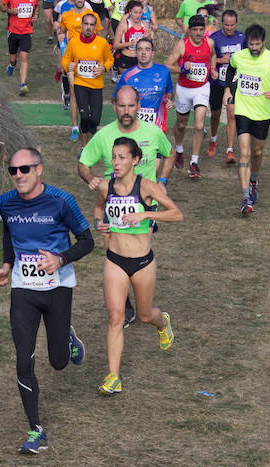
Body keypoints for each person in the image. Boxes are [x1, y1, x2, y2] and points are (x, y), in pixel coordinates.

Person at [0, 148, 94, 454]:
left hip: (58, 286)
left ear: (40, 170)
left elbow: (87, 241)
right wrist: (7, 265)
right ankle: (36, 430)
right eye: (13, 171)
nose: (19, 176)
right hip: (23, 287)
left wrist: (60, 259)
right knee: (23, 358)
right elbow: (9, 234)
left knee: (59, 362)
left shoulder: (62, 201)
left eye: (25, 169)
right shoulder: (5, 203)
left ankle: (67, 337)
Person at [92, 137, 183, 394]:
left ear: (135, 160)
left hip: (142, 262)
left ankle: (162, 322)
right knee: (115, 318)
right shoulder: (104, 187)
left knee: (144, 315)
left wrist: (146, 214)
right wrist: (100, 222)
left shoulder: (147, 187)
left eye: (122, 157)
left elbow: (177, 214)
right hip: (115, 260)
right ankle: (113, 377)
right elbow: (99, 208)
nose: (116, 162)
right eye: (113, 157)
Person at [79, 85, 174, 327]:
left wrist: (161, 181)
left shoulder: (153, 132)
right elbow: (83, 163)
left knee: (139, 247)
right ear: (114, 106)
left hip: (143, 202)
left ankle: (139, 302)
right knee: (112, 251)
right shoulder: (103, 135)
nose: (126, 110)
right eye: (121, 105)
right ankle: (126, 304)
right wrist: (90, 179)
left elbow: (169, 153)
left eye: (131, 105)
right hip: (113, 201)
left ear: (139, 106)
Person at [223, 23, 270, 215]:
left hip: (262, 113)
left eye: (257, 44)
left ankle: (254, 181)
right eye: (251, 44)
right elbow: (230, 71)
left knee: (257, 152)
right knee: (244, 153)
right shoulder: (239, 56)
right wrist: (229, 89)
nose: (254, 48)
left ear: (263, 43)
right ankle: (245, 198)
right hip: (242, 109)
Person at [165, 14, 215, 178]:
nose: (199, 33)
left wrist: (212, 69)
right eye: (196, 30)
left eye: (202, 29)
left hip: (202, 88)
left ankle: (194, 163)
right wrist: (182, 69)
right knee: (180, 125)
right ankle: (179, 149)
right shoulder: (182, 45)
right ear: (190, 30)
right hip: (184, 89)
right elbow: (168, 65)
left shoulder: (209, 43)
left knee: (199, 125)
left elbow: (212, 56)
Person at [61, 13, 114, 147]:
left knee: (95, 120)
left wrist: (104, 68)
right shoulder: (74, 42)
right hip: (80, 84)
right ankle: (84, 147)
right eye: (86, 24)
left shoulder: (102, 43)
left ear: (95, 27)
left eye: (91, 25)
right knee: (84, 117)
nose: (88, 27)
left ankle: (89, 132)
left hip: (96, 85)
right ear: (82, 26)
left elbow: (110, 59)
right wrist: (68, 66)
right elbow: (65, 59)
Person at [56, 0, 103, 141]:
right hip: (73, 60)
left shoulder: (92, 16)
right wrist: (61, 36)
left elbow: (99, 36)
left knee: (89, 92)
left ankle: (89, 121)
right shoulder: (66, 15)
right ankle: (75, 128)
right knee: (74, 92)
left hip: (89, 60)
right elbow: (61, 30)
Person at [207, 8, 246, 163]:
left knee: (231, 114)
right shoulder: (214, 38)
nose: (229, 28)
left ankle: (230, 150)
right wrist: (217, 64)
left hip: (234, 82)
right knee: (216, 114)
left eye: (232, 25)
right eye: (226, 25)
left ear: (236, 23)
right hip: (217, 81)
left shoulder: (242, 38)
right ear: (222, 23)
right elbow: (207, 58)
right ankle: (213, 138)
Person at [113, 37, 174, 134]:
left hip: (157, 124)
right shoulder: (127, 76)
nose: (143, 53)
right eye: (140, 49)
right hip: (134, 125)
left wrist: (169, 99)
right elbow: (115, 98)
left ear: (153, 53)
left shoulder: (164, 71)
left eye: (147, 49)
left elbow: (169, 91)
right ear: (136, 53)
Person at [0, 0, 40, 96]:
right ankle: (12, 65)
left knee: (24, 57)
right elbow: (1, 6)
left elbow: (37, 5)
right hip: (12, 31)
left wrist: (36, 15)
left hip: (26, 32)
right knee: (13, 58)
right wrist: (10, 11)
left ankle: (23, 85)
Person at [112, 1, 150, 81]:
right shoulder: (124, 25)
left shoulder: (145, 25)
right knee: (127, 84)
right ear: (130, 12)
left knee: (140, 84)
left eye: (140, 13)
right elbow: (115, 45)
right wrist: (130, 43)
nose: (138, 15)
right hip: (126, 58)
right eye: (135, 12)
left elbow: (149, 45)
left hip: (140, 59)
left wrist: (147, 38)